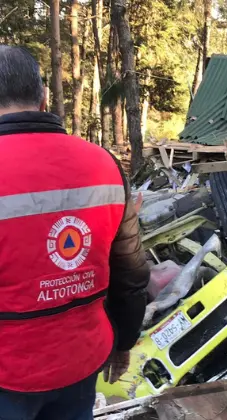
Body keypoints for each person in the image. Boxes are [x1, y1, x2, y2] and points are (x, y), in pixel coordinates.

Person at [0, 45, 150, 419]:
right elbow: (130, 270)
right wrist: (125, 339)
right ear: (44, 97)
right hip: (83, 358)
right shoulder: (103, 164)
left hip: (9, 372)